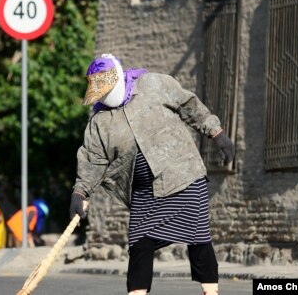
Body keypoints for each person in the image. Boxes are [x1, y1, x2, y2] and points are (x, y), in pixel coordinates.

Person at [69, 54, 235, 295]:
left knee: (198, 237)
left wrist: (217, 133)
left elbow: (188, 105)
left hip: (184, 175)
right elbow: (93, 159)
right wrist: (80, 192)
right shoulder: (99, 121)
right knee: (139, 246)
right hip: (146, 193)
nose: (105, 96)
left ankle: (211, 293)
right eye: (100, 93)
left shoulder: (154, 84)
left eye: (108, 90)